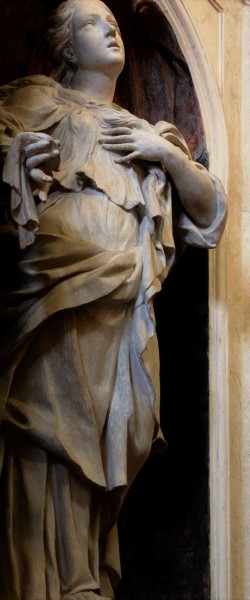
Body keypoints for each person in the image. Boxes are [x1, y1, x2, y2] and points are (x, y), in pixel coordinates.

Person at [0, 1, 227, 598]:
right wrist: (17, 162)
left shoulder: (147, 132)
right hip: (50, 298)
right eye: (93, 21)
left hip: (124, 313)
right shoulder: (28, 102)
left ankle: (87, 578)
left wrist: (169, 156)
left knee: (107, 448)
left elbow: (210, 216)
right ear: (66, 45)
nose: (112, 27)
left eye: (116, 20)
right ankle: (50, 583)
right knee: (45, 437)